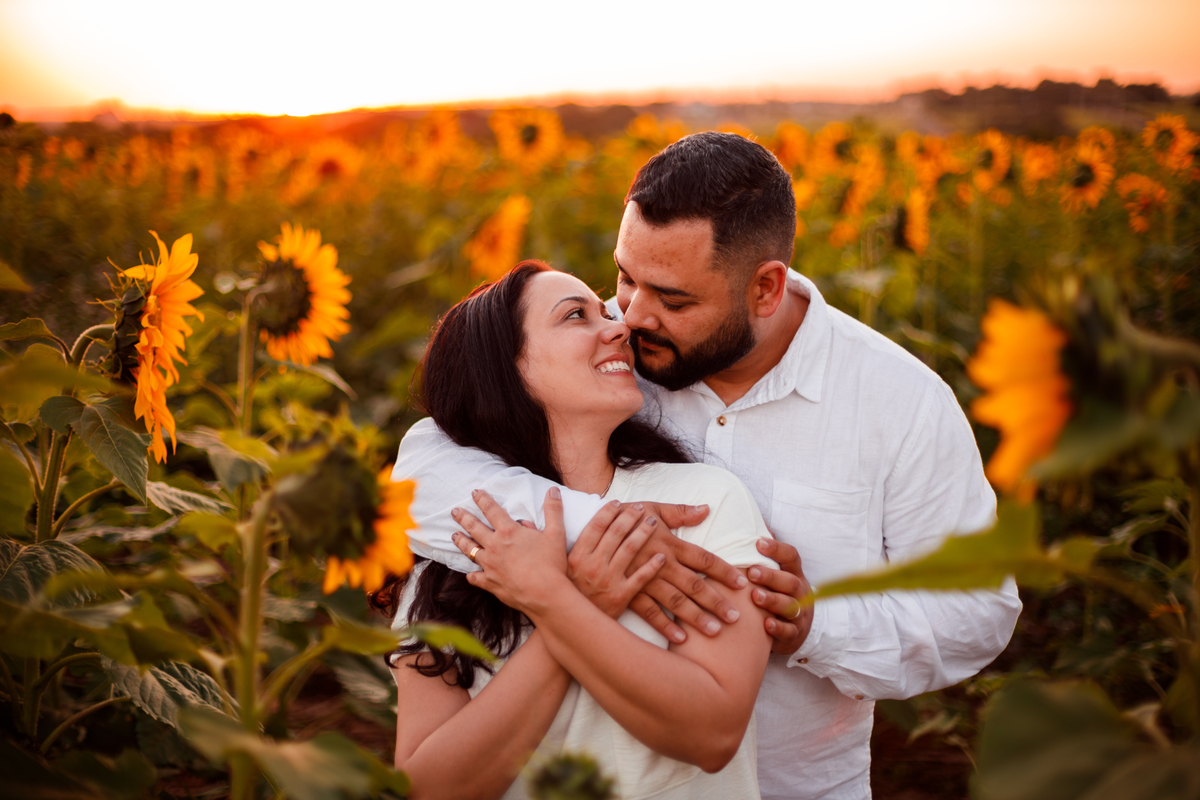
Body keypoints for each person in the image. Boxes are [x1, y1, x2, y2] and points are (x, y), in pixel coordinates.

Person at [394, 131, 1023, 799]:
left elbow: (977, 608)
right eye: (624, 278)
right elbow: (430, 464)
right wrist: (610, 536)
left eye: (673, 299)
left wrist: (815, 626)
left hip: (799, 784)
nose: (631, 316)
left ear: (764, 290)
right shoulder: (609, 359)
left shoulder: (900, 402)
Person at [386, 260, 778, 800]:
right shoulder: (453, 551)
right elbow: (429, 788)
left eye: (604, 310)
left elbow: (711, 734)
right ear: (505, 371)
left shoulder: (702, 503)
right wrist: (581, 601)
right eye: (576, 316)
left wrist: (553, 598)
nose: (619, 327)